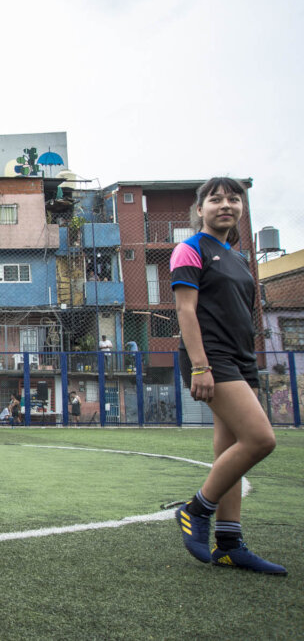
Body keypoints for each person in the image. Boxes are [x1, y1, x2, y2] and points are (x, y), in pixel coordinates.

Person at [170, 177, 284, 575]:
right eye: (215, 199)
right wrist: (200, 365)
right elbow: (186, 311)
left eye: (234, 199)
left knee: (230, 453)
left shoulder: (236, 257)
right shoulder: (190, 249)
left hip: (241, 358)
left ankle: (230, 543)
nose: (226, 205)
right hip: (212, 358)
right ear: (199, 210)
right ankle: (196, 508)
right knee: (260, 439)